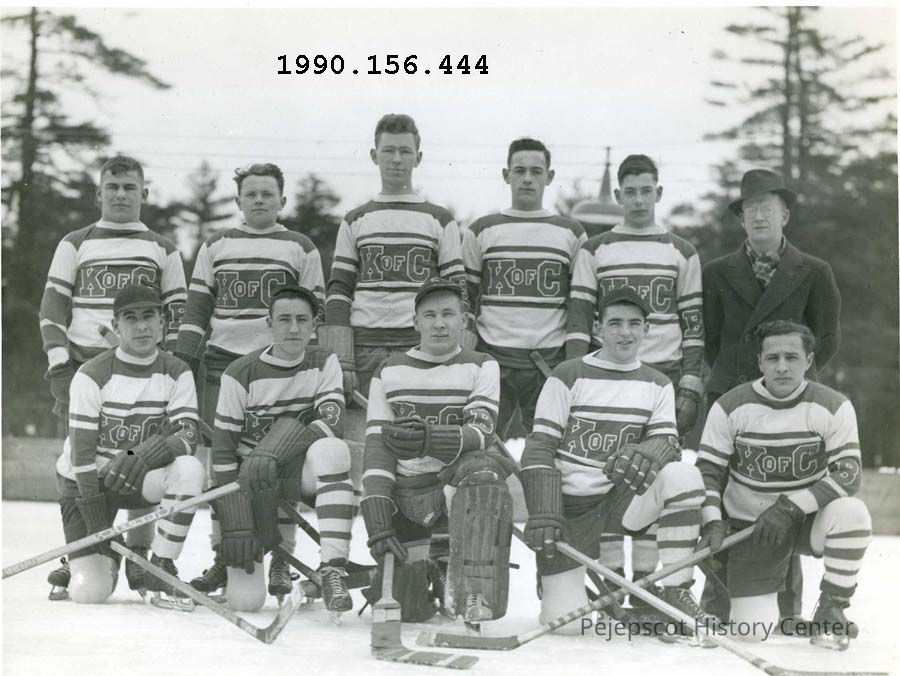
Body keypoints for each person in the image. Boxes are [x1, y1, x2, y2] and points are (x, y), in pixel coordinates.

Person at [521, 287, 714, 636]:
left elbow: (668, 442)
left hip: (620, 501)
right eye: (615, 323)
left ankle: (676, 588)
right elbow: (540, 447)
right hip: (572, 507)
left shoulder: (657, 383)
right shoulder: (568, 374)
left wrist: (648, 452)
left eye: (634, 324)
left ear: (646, 329)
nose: (625, 332)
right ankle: (556, 581)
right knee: (567, 626)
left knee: (684, 475)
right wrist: (545, 511)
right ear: (598, 328)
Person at [40, 155, 187, 598]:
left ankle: (139, 555)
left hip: (144, 370)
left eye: (129, 187)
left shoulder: (162, 248)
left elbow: (177, 314)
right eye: (112, 187)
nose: (121, 194)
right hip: (87, 368)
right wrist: (59, 364)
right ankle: (88, 547)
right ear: (99, 193)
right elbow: (52, 309)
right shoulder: (75, 243)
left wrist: (166, 370)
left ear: (144, 193)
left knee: (140, 453)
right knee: (85, 455)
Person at [174, 163, 325, 592]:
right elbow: (197, 309)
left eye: (267, 193)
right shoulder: (216, 244)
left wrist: (315, 368)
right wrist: (183, 364)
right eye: (251, 194)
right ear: (239, 200)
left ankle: (282, 558)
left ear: (282, 200)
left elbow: (316, 313)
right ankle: (224, 555)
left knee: (281, 462)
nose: (259, 200)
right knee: (224, 463)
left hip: (281, 369)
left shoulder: (300, 247)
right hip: (224, 366)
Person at [701, 169, 841, 625]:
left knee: (786, 497)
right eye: (750, 210)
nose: (758, 217)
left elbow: (826, 338)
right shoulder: (716, 272)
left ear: (785, 216)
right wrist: (741, 378)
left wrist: (789, 380)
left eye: (767, 208)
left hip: (791, 401)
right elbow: (711, 338)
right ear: (741, 220)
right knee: (725, 499)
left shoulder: (815, 271)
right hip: (732, 397)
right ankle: (717, 599)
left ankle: (787, 606)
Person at [565, 154, 705, 613]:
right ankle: (612, 583)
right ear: (618, 195)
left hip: (662, 374)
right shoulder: (596, 249)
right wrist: (576, 376)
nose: (639, 200)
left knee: (655, 474)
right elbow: (580, 317)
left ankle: (648, 585)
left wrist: (690, 383)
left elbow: (693, 324)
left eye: (647, 191)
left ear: (658, 193)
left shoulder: (681, 251)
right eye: (631, 192)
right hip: (607, 373)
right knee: (608, 468)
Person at [695, 320, 870, 650]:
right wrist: (713, 522)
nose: (782, 367)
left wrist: (790, 508)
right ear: (759, 362)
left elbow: (849, 474)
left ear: (809, 360)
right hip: (752, 528)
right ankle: (753, 600)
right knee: (751, 631)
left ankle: (831, 606)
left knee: (853, 513)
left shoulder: (833, 405)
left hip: (804, 521)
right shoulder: (730, 405)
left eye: (792, 357)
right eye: (772, 358)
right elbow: (707, 471)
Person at [360, 278, 513, 624]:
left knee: (483, 468)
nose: (439, 323)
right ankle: (428, 567)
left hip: (456, 486)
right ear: (415, 322)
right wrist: (378, 505)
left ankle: (474, 590)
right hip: (409, 495)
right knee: (409, 610)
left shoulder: (482, 364)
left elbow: (480, 432)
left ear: (464, 320)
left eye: (448, 314)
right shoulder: (389, 369)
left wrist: (430, 439)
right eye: (429, 315)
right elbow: (377, 444)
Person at [200, 284, 356, 615]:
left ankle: (332, 569)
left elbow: (333, 422)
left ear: (315, 324)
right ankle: (228, 559)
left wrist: (276, 450)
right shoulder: (239, 372)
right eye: (284, 319)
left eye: (302, 319)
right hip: (250, 482)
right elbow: (223, 451)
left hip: (296, 471)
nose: (294, 328)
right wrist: (234, 516)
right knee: (246, 602)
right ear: (269, 323)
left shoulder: (324, 361)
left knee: (333, 450)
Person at [53, 284, 203, 604]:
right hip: (86, 483)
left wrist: (142, 452)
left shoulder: (177, 372)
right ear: (116, 325)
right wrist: (96, 520)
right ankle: (107, 558)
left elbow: (189, 434)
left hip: (134, 473)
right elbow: (81, 455)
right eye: (131, 318)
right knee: (88, 593)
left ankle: (159, 565)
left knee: (189, 469)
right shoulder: (91, 374)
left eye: (149, 316)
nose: (142, 326)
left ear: (162, 322)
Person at [324, 113, 466, 408]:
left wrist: (455, 356)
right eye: (389, 150)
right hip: (364, 348)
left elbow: (457, 291)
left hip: (421, 345)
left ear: (418, 157)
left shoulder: (440, 219)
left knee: (420, 427)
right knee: (363, 430)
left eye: (405, 151)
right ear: (374, 155)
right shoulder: (355, 219)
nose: (397, 159)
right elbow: (339, 290)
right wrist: (341, 358)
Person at [462, 137, 586, 440]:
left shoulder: (571, 233)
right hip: (493, 361)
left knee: (548, 448)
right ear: (507, 175)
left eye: (536, 171)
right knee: (481, 445)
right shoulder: (482, 230)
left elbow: (580, 307)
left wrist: (572, 365)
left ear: (549, 176)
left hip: (547, 363)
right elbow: (467, 299)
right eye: (519, 170)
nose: (527, 178)